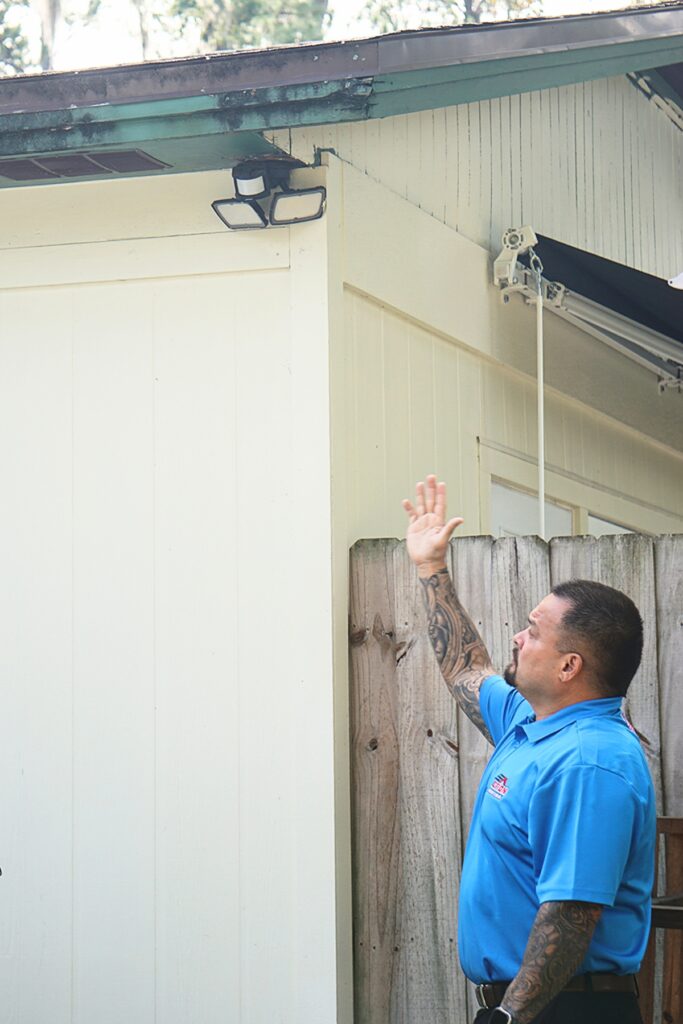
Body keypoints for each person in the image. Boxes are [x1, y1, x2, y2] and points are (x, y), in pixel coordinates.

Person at [402, 475, 656, 1024]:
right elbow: (467, 667)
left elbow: (570, 914)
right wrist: (431, 568)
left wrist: (508, 1017)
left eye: (532, 632)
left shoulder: (590, 762)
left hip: (566, 1010)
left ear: (570, 667)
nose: (517, 638)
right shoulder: (531, 722)